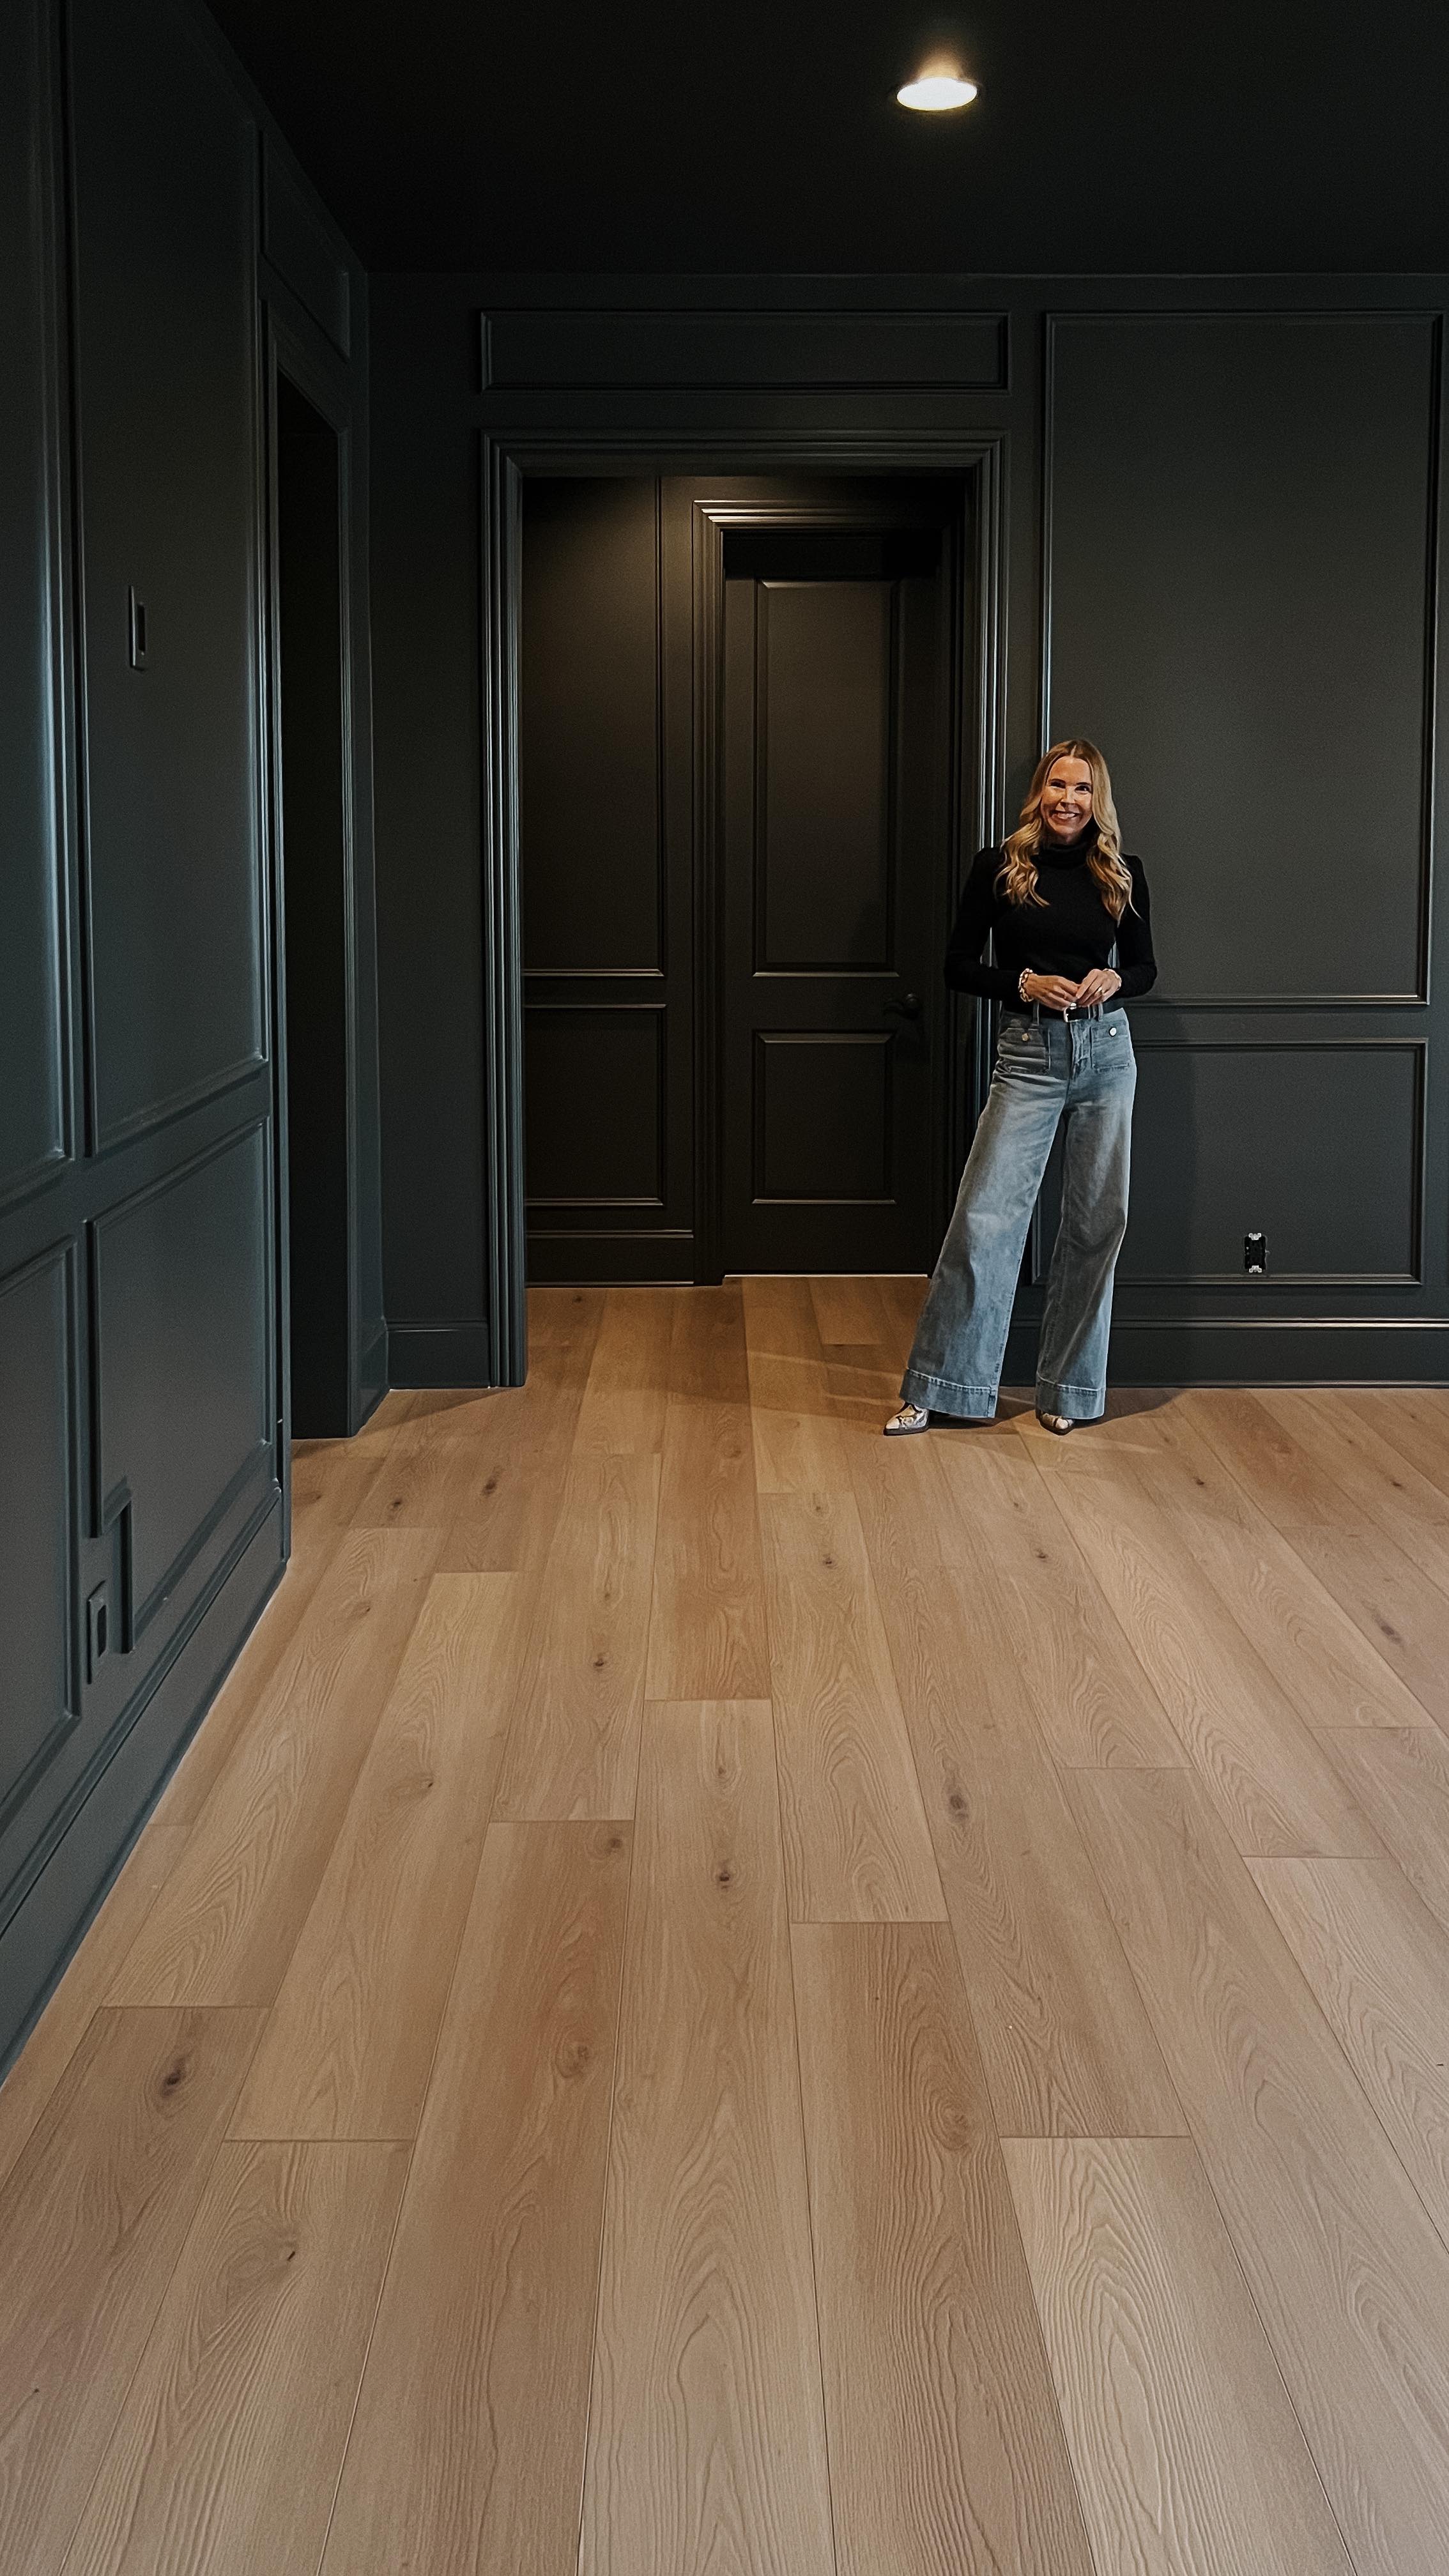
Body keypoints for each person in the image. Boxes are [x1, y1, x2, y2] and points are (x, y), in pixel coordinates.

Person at [885, 737, 1155, 1438]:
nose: (1069, 800)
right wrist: (1023, 983)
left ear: (1099, 799)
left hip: (1106, 1052)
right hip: (1030, 1051)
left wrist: (1117, 979)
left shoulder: (1122, 872)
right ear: (1040, 792)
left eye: (1084, 789)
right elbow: (955, 965)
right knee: (986, 1219)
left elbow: (1148, 968)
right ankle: (943, 1387)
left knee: (1098, 1223)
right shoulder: (1001, 867)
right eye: (1058, 786)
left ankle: (1068, 1391)